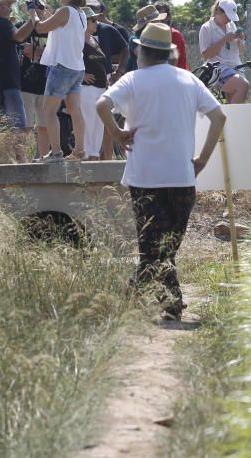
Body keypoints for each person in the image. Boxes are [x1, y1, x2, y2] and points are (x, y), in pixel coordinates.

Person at [97, 22, 226, 322]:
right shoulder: (188, 80)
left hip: (144, 179)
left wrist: (117, 133)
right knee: (165, 250)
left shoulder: (132, 79)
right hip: (183, 176)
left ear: (141, 51)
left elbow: (102, 104)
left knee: (153, 251)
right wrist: (203, 159)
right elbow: (219, 116)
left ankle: (138, 299)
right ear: (169, 52)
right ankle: (171, 304)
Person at [0, 0, 38, 162]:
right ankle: (21, 160)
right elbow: (19, 36)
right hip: (9, 84)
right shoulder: (2, 24)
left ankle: (1, 160)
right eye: (6, 4)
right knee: (17, 125)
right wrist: (33, 18)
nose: (10, 8)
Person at [34, 0, 88, 161]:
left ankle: (56, 152)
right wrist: (46, 12)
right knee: (75, 110)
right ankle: (80, 152)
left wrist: (33, 15)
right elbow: (58, 25)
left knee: (48, 110)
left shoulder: (64, 12)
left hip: (62, 67)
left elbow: (41, 27)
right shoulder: (81, 14)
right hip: (77, 68)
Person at [19, 0, 52, 160]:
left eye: (42, 6)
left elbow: (52, 53)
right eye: (35, 6)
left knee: (44, 125)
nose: (39, 9)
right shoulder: (22, 27)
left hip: (46, 84)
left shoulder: (52, 29)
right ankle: (23, 160)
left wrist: (38, 50)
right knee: (27, 125)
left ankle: (43, 157)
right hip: (26, 84)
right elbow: (24, 49)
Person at [198, 0, 249, 103]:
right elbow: (206, 55)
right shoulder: (206, 28)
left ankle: (230, 119)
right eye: (228, 16)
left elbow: (239, 53)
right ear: (218, 12)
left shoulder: (231, 26)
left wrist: (241, 40)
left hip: (235, 66)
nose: (230, 20)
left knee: (234, 100)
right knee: (243, 85)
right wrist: (224, 40)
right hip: (218, 68)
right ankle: (232, 118)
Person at [79, 9, 108, 160]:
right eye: (94, 20)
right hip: (87, 89)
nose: (97, 23)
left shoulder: (94, 39)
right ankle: (86, 156)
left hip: (100, 89)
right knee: (88, 123)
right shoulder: (78, 40)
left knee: (99, 125)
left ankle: (94, 156)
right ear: (84, 22)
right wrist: (81, 75)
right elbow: (68, 61)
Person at [153, 1, 188, 70]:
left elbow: (173, 62)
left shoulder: (174, 34)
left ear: (168, 17)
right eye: (156, 16)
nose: (159, 19)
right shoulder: (152, 34)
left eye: (162, 16)